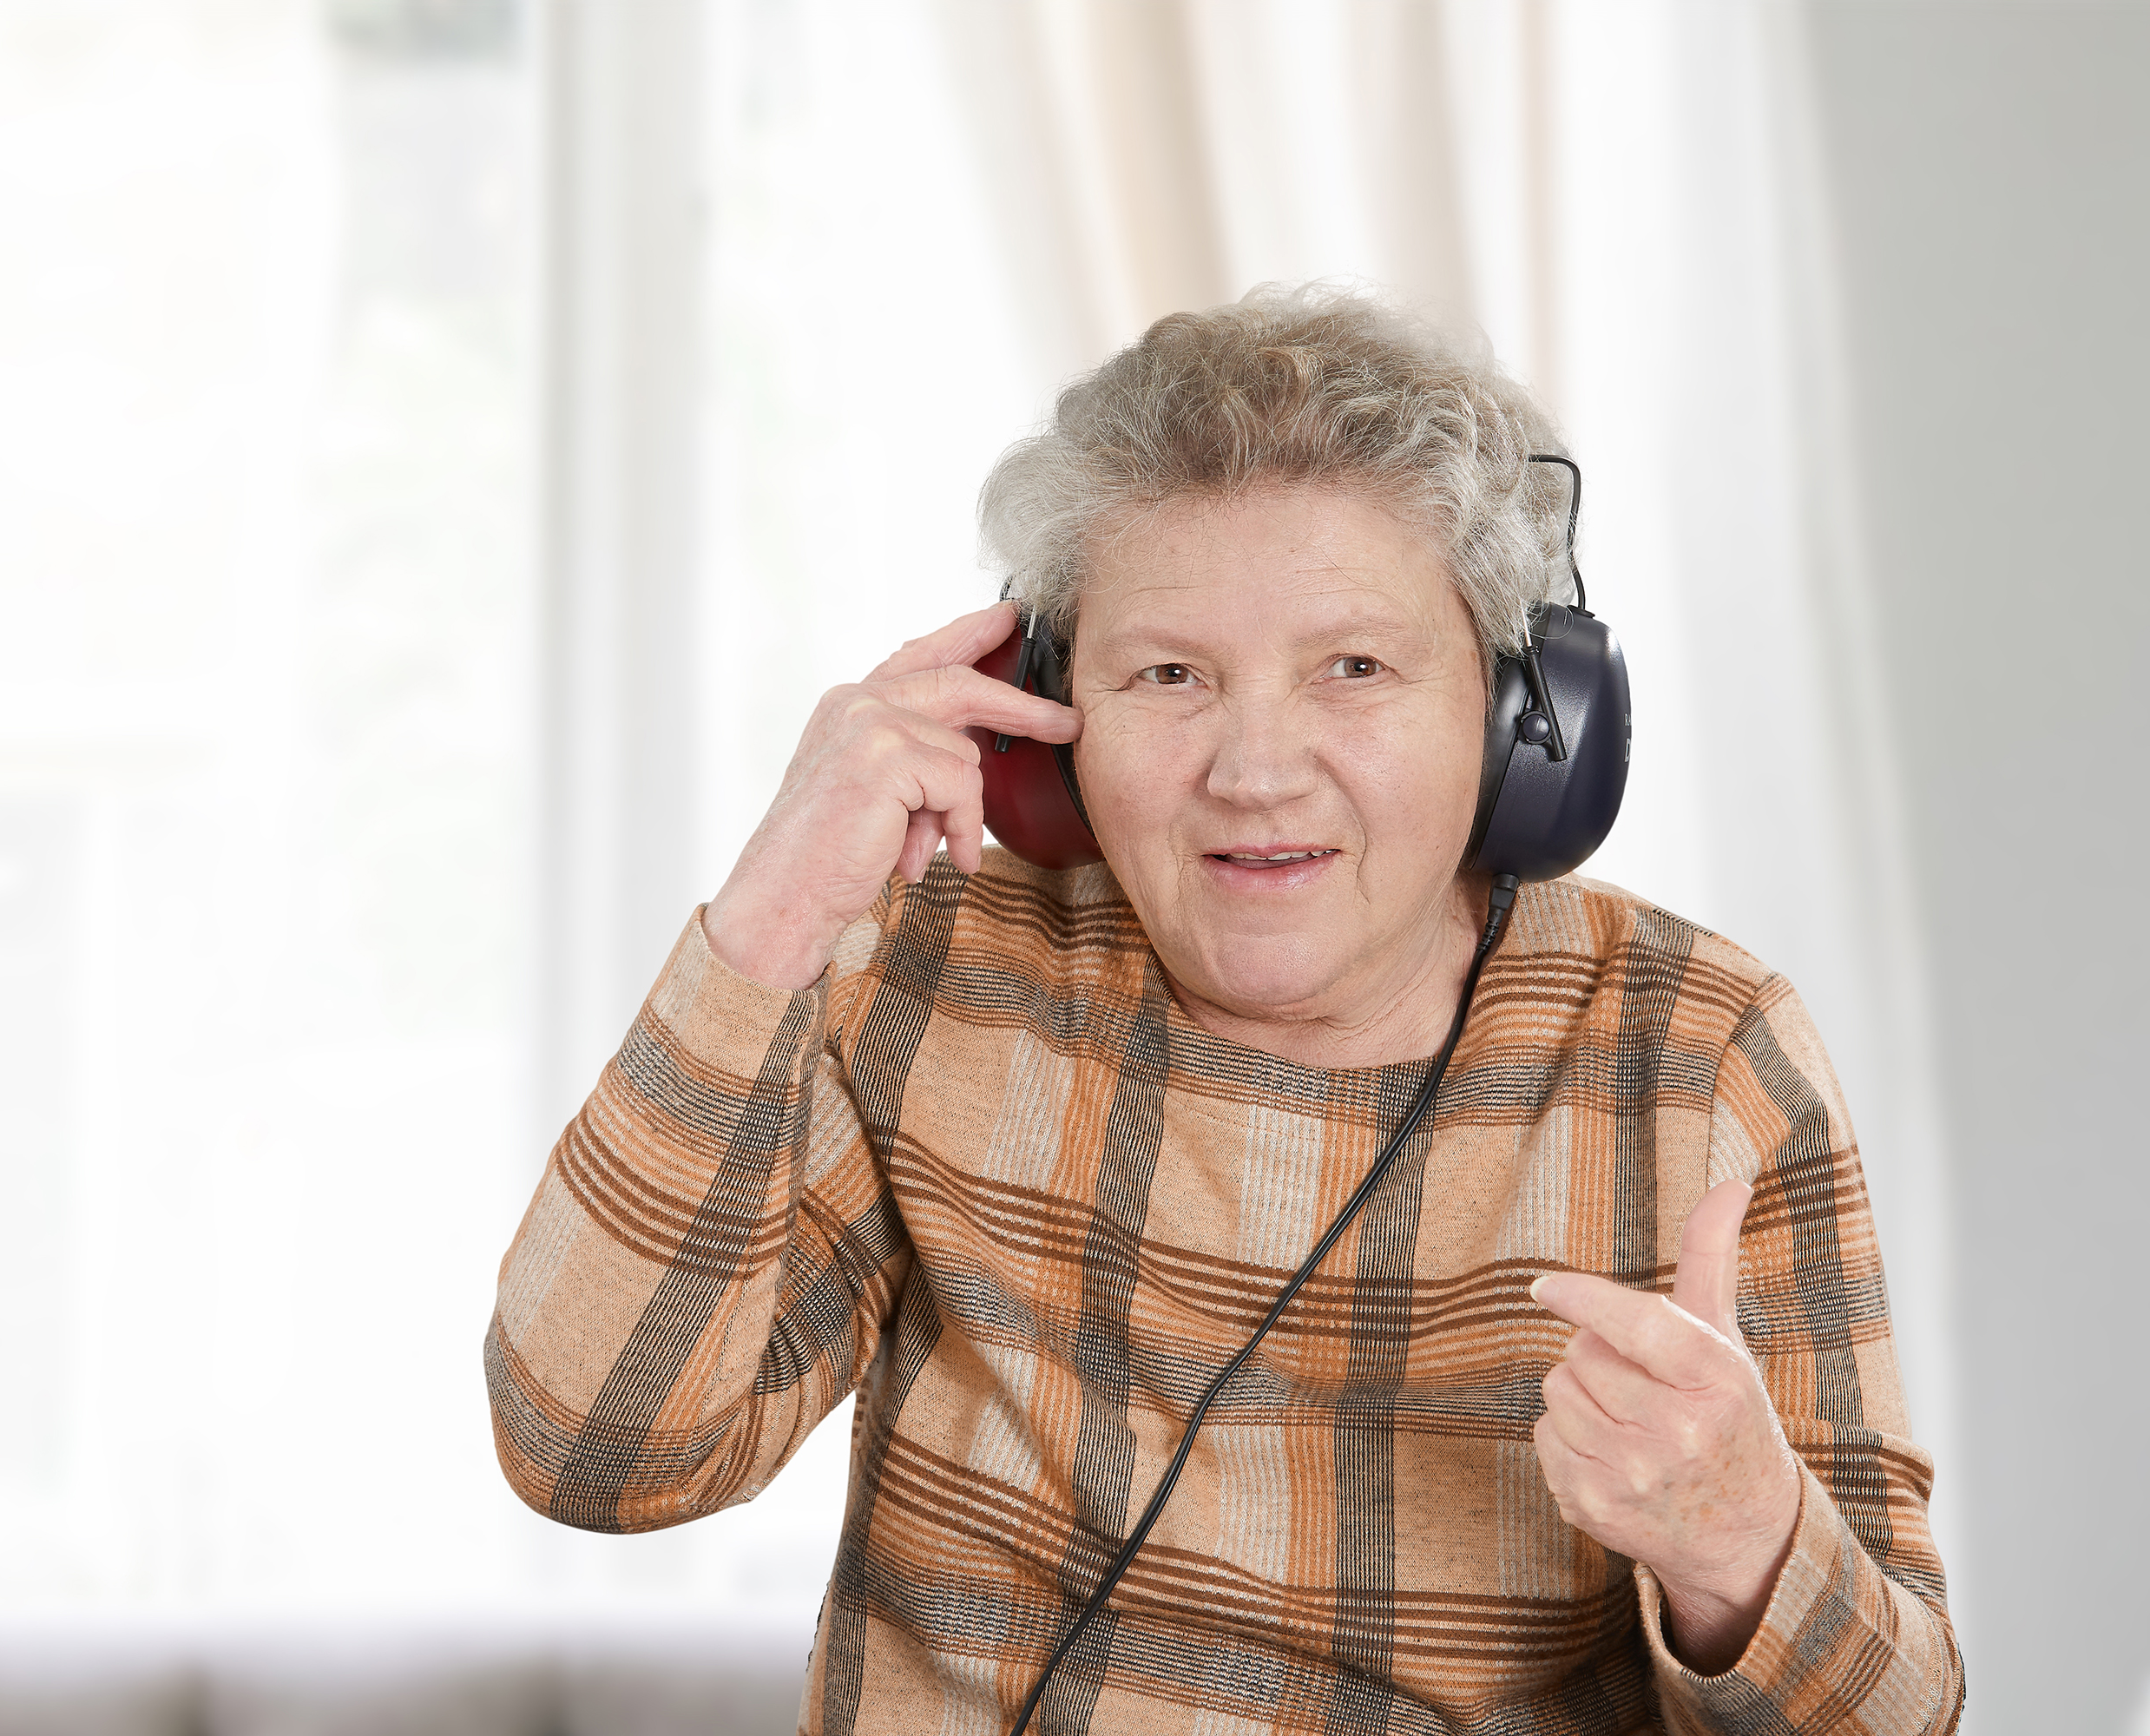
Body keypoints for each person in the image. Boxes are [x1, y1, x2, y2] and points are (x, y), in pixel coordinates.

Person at [486, 285, 1963, 1734]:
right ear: (1048, 727)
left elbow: (1900, 1721)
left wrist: (1739, 1548)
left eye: (1357, 668)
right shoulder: (930, 970)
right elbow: (593, 1454)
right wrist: (770, 921)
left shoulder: (1696, 1050)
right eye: (1171, 673)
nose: (1255, 769)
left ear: (1527, 722)